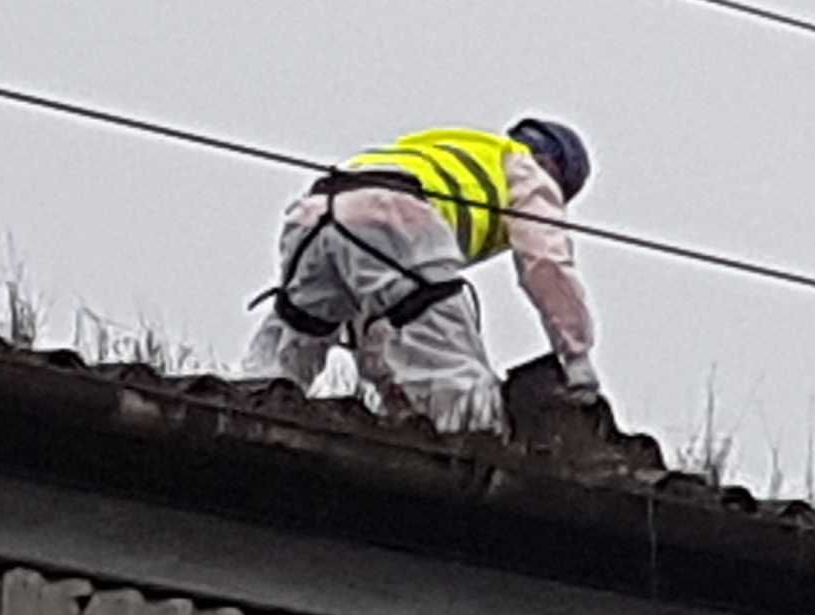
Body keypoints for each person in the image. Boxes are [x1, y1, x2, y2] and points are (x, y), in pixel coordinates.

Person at [242, 119, 600, 433]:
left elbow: (381, 324)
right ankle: (475, 457)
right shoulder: (526, 170)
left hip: (313, 213)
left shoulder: (452, 146)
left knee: (294, 339)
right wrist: (576, 357)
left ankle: (243, 411)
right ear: (554, 167)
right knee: (453, 367)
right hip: (394, 214)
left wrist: (391, 391)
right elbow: (547, 265)